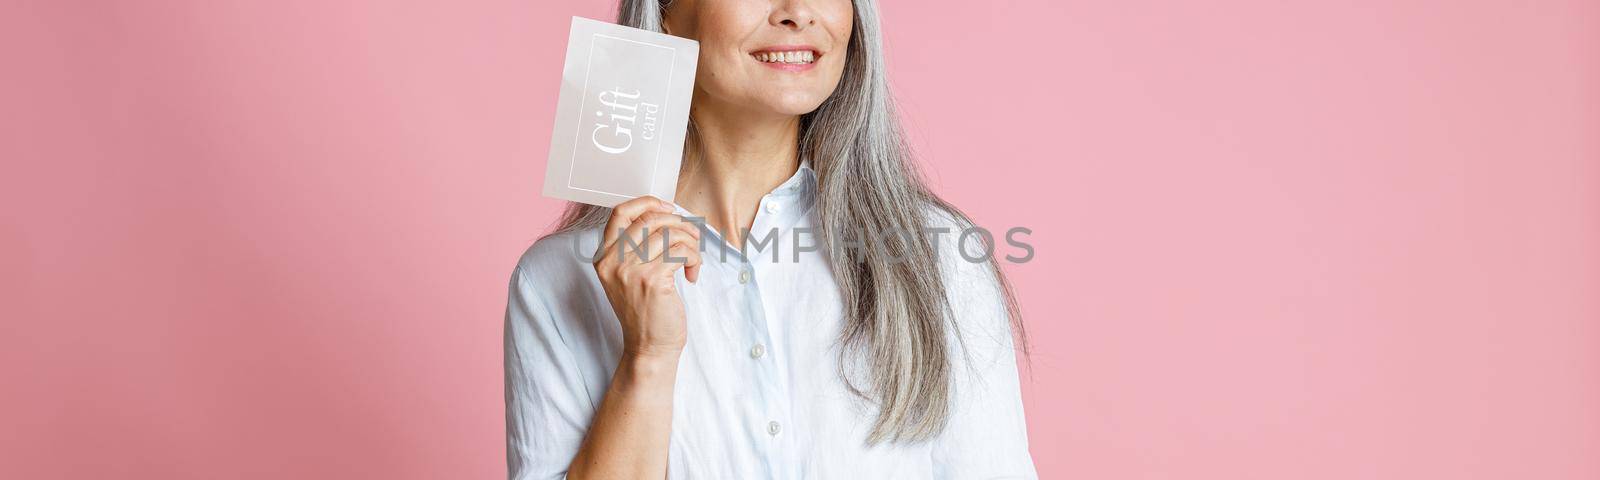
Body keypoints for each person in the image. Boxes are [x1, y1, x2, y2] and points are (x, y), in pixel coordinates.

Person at [504, 0, 1035, 478]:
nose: (798, 12)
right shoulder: (557, 279)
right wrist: (648, 358)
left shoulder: (940, 255)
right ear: (667, 11)